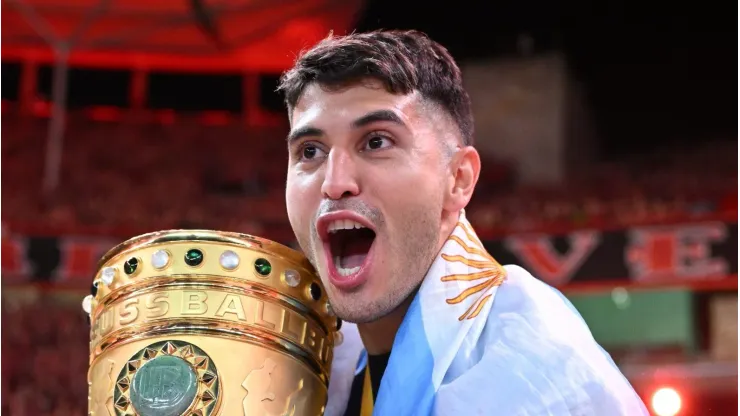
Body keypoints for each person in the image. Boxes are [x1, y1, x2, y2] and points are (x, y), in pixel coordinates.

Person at [278, 30, 648, 416]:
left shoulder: (539, 377)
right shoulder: (317, 368)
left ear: (458, 180)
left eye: (376, 142)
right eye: (310, 151)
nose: (335, 183)